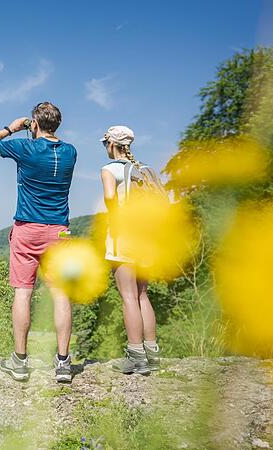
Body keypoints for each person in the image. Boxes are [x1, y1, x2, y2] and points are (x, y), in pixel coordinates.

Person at [0, 102, 77, 383]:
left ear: (34, 123)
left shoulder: (25, 148)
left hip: (28, 229)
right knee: (61, 294)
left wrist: (11, 128)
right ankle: (63, 363)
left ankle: (20, 361)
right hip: (59, 231)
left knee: (23, 292)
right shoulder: (70, 152)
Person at [99, 125, 161, 375]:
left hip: (124, 237)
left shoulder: (110, 170)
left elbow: (110, 198)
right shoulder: (145, 170)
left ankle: (136, 356)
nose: (104, 147)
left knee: (128, 295)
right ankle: (152, 352)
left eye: (105, 143)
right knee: (142, 294)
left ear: (112, 145)